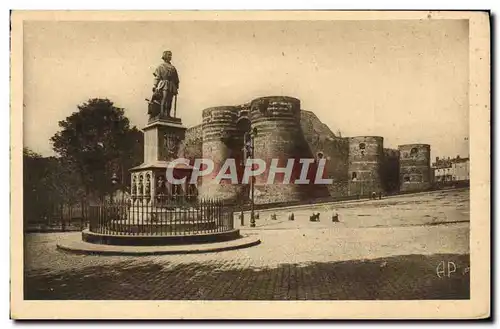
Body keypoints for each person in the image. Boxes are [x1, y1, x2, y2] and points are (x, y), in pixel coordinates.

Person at [152, 50, 180, 118]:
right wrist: (155, 85)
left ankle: (168, 114)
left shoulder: (173, 68)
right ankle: (162, 113)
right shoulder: (160, 66)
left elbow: (176, 78)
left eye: (170, 55)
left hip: (172, 85)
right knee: (164, 99)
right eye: (168, 55)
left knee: (170, 101)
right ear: (165, 56)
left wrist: (176, 86)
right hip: (164, 84)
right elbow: (157, 77)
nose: (170, 56)